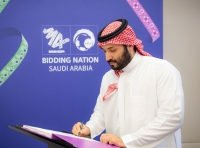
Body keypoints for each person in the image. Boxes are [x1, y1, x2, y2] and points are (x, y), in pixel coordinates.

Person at [72, 19, 184, 148]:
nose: (107, 57)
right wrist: (89, 129)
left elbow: (171, 118)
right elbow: (102, 113)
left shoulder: (161, 70)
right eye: (105, 51)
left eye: (112, 50)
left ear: (130, 45)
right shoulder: (108, 77)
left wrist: (127, 141)